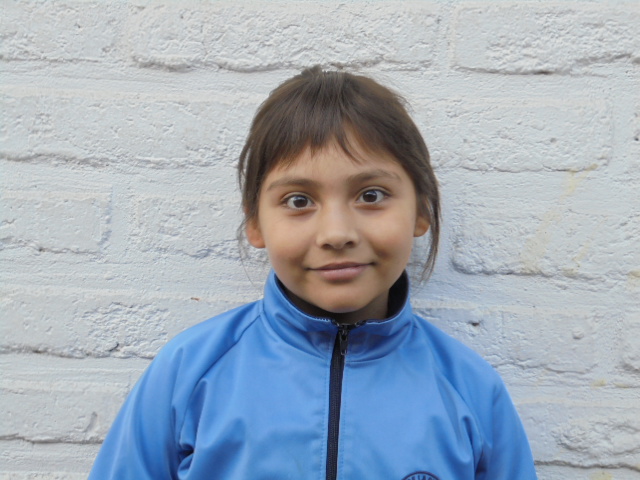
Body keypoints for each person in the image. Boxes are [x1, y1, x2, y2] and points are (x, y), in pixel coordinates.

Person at [89, 66, 537, 479]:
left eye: (371, 195)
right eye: (299, 201)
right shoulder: (188, 373)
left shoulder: (471, 391)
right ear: (255, 223)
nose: (336, 233)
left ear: (420, 211)